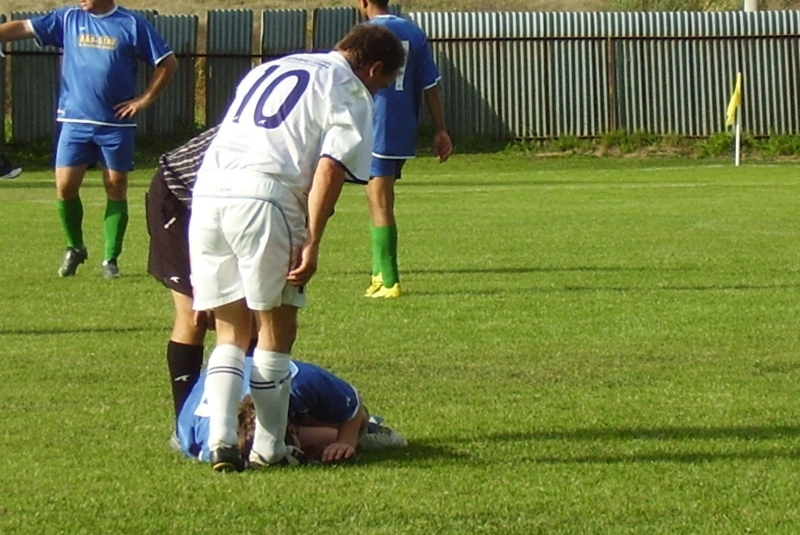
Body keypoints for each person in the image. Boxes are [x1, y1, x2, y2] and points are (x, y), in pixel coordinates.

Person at [187, 23, 406, 473]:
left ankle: (221, 440)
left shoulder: (273, 66)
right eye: (382, 84)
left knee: (229, 330)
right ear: (375, 68)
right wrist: (313, 237)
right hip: (266, 196)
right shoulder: (349, 87)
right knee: (275, 330)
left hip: (208, 193)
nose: (379, 92)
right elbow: (330, 168)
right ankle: (268, 447)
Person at [0, 0, 178, 279]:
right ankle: (75, 247)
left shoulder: (131, 24)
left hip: (114, 124)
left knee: (115, 188)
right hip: (74, 121)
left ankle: (110, 259)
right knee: (64, 188)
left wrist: (144, 99)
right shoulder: (68, 18)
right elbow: (24, 26)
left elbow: (167, 62)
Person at [357, 0, 453, 299]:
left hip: (376, 125)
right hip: (402, 127)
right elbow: (431, 84)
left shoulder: (365, 35)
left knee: (381, 202)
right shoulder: (413, 31)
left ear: (363, 2)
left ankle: (390, 280)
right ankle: (378, 274)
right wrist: (440, 128)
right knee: (376, 197)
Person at [176, 357, 408, 466]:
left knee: (341, 428)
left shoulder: (300, 382)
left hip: (277, 385)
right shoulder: (200, 441)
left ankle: (368, 429)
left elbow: (352, 404)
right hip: (243, 389)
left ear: (291, 425)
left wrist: (346, 441)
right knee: (322, 442)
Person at [145, 126, 220, 430]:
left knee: (252, 313)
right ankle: (185, 426)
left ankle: (247, 418)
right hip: (181, 192)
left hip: (235, 200)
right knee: (194, 314)